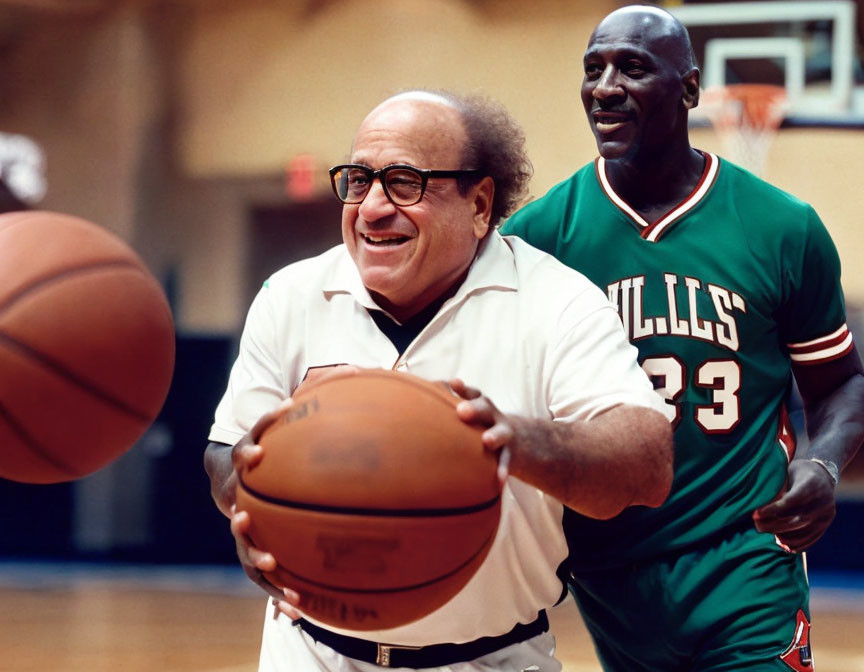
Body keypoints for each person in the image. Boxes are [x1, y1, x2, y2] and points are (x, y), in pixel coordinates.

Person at [204, 89, 673, 672]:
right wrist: (253, 501)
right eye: (356, 180)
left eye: (404, 182)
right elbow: (225, 451)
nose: (372, 207)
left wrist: (512, 442)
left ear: (479, 204)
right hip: (311, 655)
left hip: (495, 659)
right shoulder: (290, 295)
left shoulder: (558, 302)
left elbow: (646, 466)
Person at [501, 5, 864, 671]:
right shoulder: (534, 241)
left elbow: (840, 381)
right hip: (608, 573)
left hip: (746, 558)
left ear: (690, 91)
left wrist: (822, 463)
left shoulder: (783, 227)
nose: (605, 86)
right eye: (593, 69)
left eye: (633, 68)